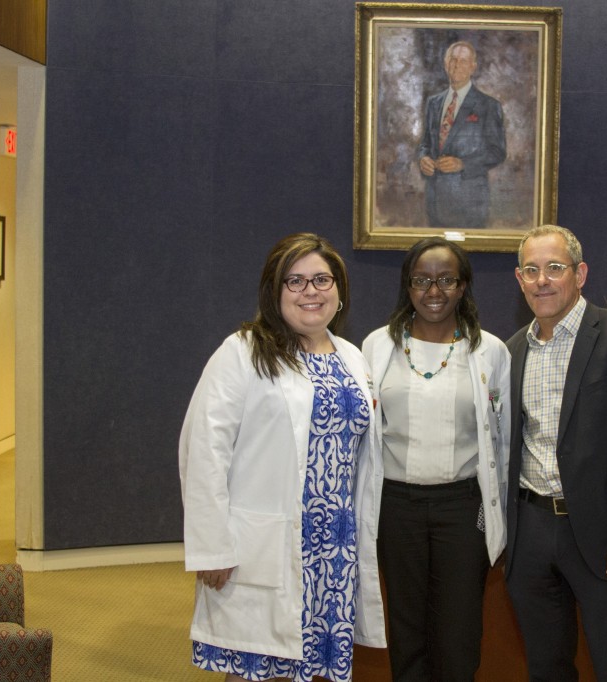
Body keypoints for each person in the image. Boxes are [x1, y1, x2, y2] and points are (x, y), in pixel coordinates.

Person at [179, 233, 386, 682]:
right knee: (261, 671)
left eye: (321, 279)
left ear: (339, 289)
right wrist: (212, 544)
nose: (310, 291)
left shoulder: (351, 356)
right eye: (294, 281)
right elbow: (204, 449)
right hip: (264, 546)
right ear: (274, 291)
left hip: (333, 551)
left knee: (317, 670)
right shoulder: (244, 351)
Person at [504, 225, 607, 681]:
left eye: (554, 268)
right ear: (519, 279)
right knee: (546, 666)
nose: (543, 280)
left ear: (580, 273)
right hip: (531, 533)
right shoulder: (512, 350)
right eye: (532, 270)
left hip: (605, 537)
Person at [362, 237, 510, 681]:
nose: (434, 290)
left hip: (463, 509)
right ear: (407, 286)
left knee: (458, 630)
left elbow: (500, 440)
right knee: (406, 626)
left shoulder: (490, 351)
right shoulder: (376, 347)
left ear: (463, 286)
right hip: (396, 506)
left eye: (447, 279)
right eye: (422, 279)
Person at [418, 41, 506, 229]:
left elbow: (497, 152)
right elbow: (425, 143)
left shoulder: (488, 106)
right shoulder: (433, 103)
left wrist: (462, 164)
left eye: (463, 61)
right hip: (434, 201)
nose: (457, 65)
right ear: (445, 64)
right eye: (453, 60)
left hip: (470, 203)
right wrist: (423, 158)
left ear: (473, 67)